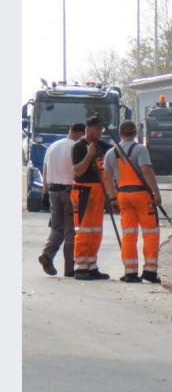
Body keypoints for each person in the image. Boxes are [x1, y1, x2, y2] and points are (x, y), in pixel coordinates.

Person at [102, 121, 163, 283]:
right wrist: (156, 193)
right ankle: (150, 271)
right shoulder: (140, 150)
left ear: (121, 133)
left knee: (128, 234)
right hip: (142, 195)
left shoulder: (110, 153)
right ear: (135, 133)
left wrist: (112, 198)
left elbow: (107, 177)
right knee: (150, 233)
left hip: (123, 195)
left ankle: (130, 272)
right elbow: (146, 171)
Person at [38, 123, 85, 277]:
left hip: (53, 191)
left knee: (57, 228)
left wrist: (45, 193)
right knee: (71, 230)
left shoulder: (52, 147)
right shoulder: (76, 147)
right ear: (80, 133)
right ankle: (69, 268)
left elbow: (45, 172)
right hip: (69, 191)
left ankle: (47, 255)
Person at [71, 115, 113, 280]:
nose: (100, 133)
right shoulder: (78, 147)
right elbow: (77, 171)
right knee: (83, 231)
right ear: (88, 129)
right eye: (97, 129)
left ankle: (91, 265)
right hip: (83, 191)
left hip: (99, 191)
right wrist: (89, 155)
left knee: (96, 231)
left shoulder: (104, 147)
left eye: (102, 129)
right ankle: (81, 267)